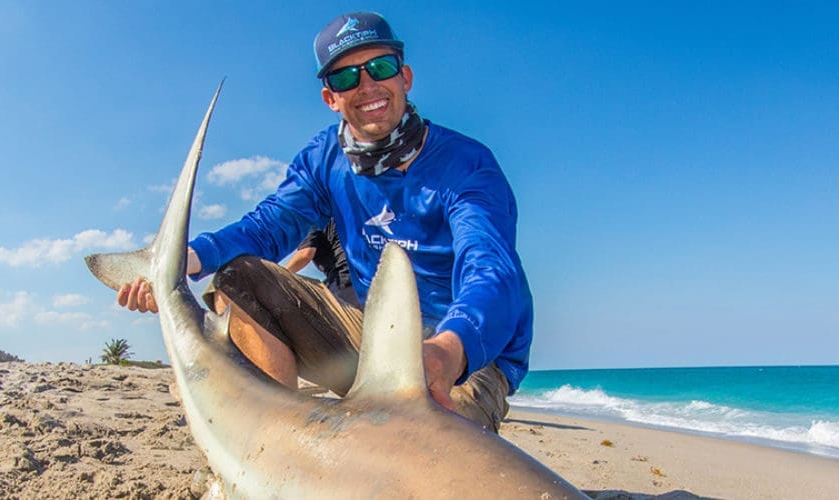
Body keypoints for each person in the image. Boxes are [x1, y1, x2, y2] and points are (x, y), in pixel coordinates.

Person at [118, 12, 533, 433]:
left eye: (381, 67)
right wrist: (185, 260)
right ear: (329, 98)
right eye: (346, 78)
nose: (367, 85)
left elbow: (492, 272)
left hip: (465, 351)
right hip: (374, 342)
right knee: (240, 277)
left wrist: (446, 351)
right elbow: (266, 227)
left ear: (405, 77)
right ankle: (276, 441)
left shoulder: (467, 165)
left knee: (419, 459)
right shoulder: (325, 160)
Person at [284, 222, 358, 305]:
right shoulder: (346, 216)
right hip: (366, 278)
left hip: (344, 280)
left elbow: (305, 254)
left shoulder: (315, 221)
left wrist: (282, 274)